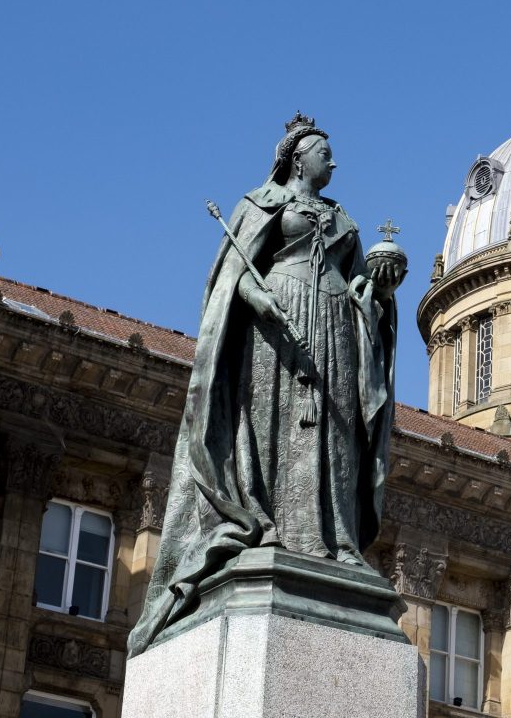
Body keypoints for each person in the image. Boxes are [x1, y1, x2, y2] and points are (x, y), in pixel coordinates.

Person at [128, 113, 402, 657]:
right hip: (276, 322)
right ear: (299, 157)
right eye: (325, 150)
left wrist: (376, 289)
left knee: (336, 428)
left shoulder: (341, 216)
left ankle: (337, 540)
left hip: (333, 325)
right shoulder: (260, 204)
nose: (334, 160)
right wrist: (260, 301)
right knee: (273, 418)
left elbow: (353, 282)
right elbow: (234, 274)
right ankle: (268, 525)